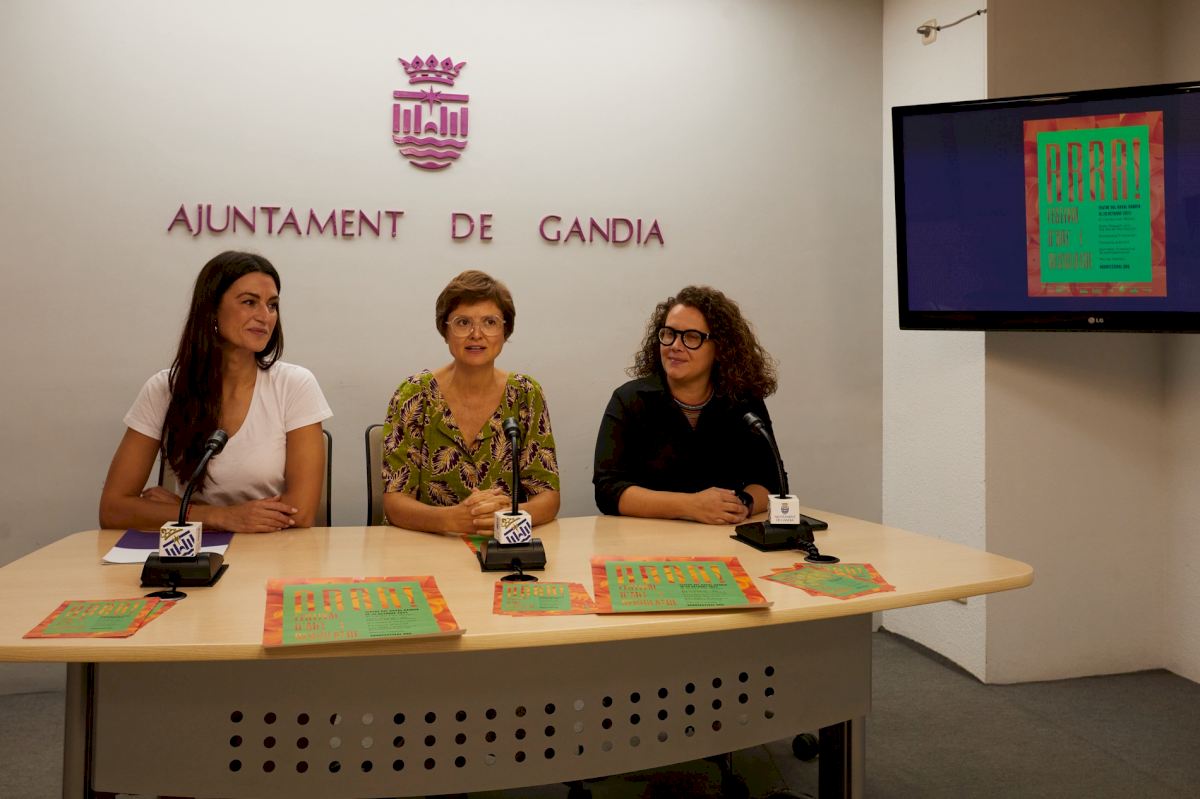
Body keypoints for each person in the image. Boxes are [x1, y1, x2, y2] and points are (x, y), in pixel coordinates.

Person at [99, 251, 332, 533]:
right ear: (211, 309)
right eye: (249, 302)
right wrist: (219, 516)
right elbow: (113, 510)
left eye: (272, 305)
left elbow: (301, 513)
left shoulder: (295, 384)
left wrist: (184, 511)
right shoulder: (164, 389)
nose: (265, 316)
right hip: (198, 550)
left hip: (274, 549)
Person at [382, 270, 560, 533]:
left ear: (505, 331)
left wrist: (508, 517)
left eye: (490, 322)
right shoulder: (414, 395)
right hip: (425, 543)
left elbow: (548, 497)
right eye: (463, 323)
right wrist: (451, 520)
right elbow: (395, 502)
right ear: (445, 330)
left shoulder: (525, 394)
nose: (476, 334)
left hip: (502, 542)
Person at [593, 285, 782, 524]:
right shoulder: (630, 399)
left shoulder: (743, 402)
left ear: (720, 348)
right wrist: (690, 506)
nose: (675, 345)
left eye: (691, 337)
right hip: (648, 538)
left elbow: (772, 481)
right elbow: (607, 490)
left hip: (723, 535)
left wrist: (742, 504)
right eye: (669, 334)